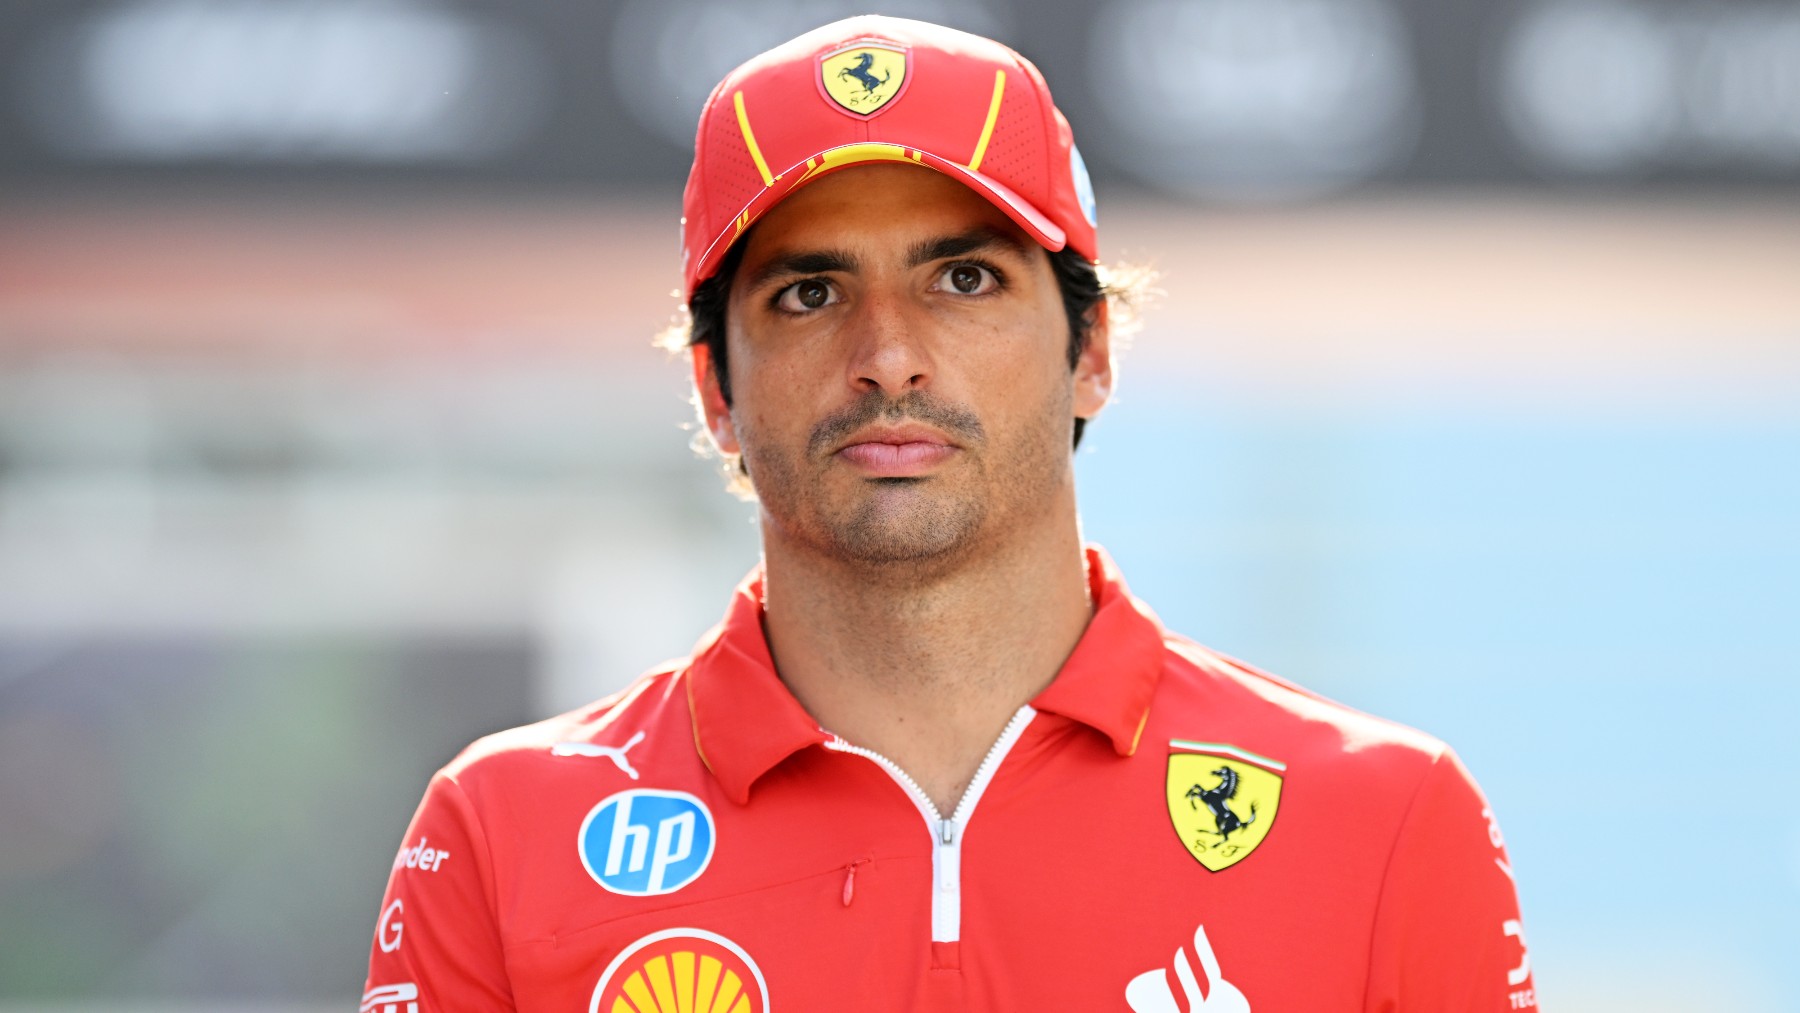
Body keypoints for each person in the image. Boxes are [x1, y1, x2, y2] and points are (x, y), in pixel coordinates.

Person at [362, 16, 1535, 1013]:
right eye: (810, 292)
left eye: (963, 279)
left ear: (1091, 351)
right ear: (716, 387)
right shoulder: (503, 833)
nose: (888, 357)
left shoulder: (1381, 819)